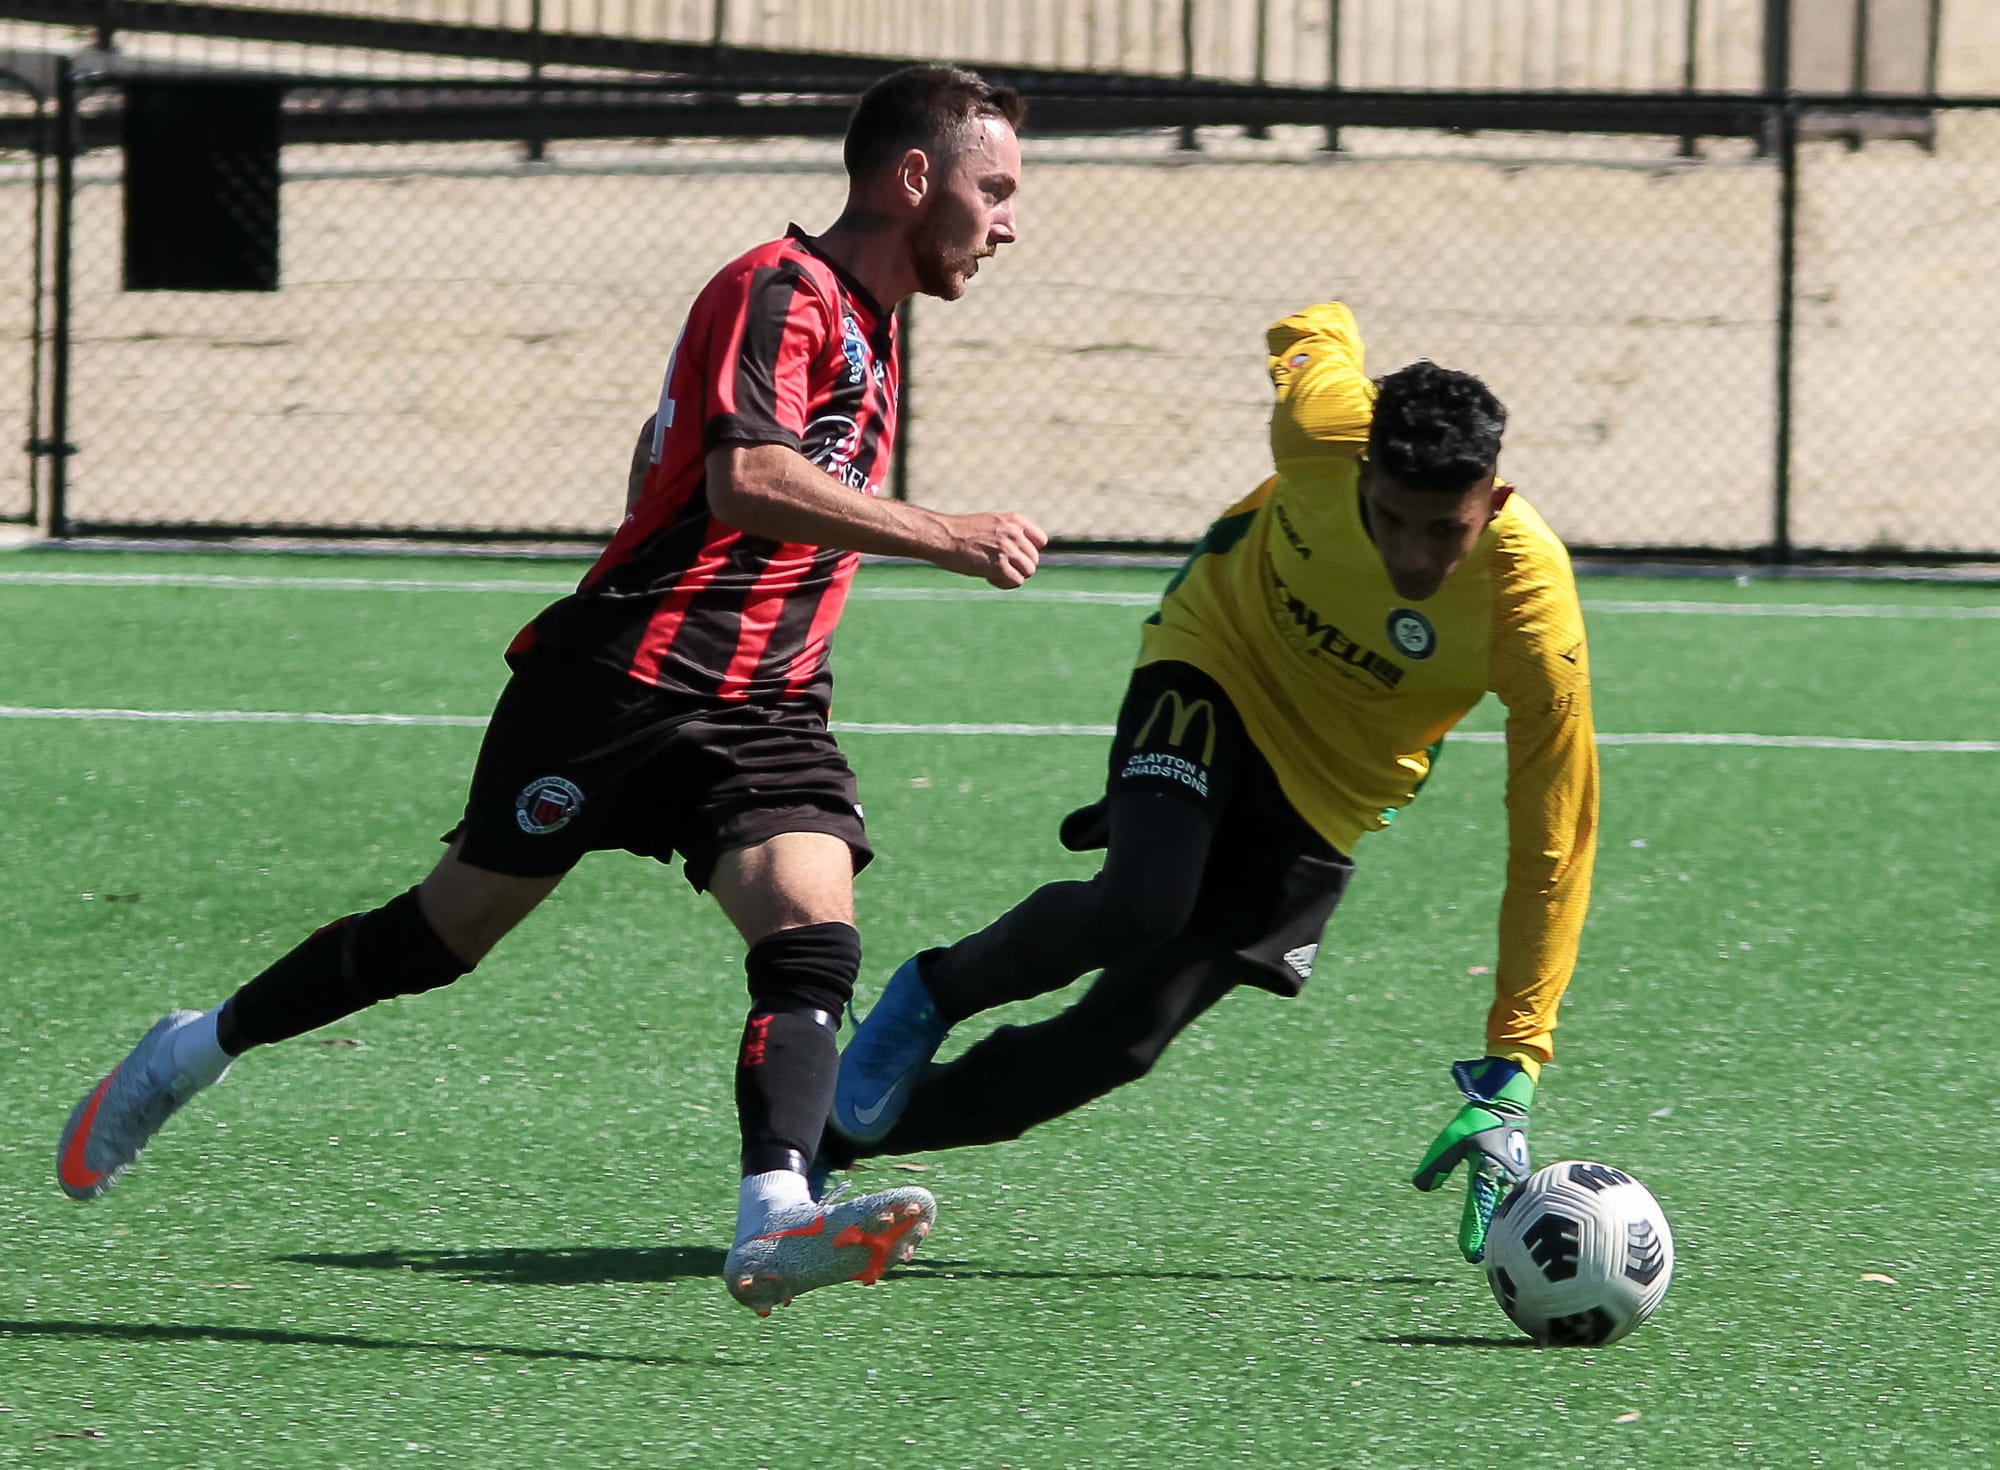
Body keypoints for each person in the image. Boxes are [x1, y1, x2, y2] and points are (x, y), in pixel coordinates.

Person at [56, 64, 1046, 1316]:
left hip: (764, 705)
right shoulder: (777, 286)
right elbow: (746, 478)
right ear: (914, 176)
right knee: (438, 939)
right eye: (993, 189)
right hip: (617, 688)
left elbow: (676, 454)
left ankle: (772, 1219)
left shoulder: (869, 320)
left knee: (811, 940)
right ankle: (192, 1050)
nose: (1008, 222)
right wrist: (943, 532)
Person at [822, 299, 1597, 1264]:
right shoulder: (1321, 429)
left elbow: (1555, 838)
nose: (1412, 556)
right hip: (1215, 664)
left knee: (1119, 1044)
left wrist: (1514, 1060)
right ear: (1361, 467)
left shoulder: (1532, 611)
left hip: (1331, 795)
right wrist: (1323, 346)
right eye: (1391, 518)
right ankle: (932, 993)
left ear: (1495, 497)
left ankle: (831, 1136)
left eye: (1445, 530)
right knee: (1143, 901)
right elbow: (1313, 325)